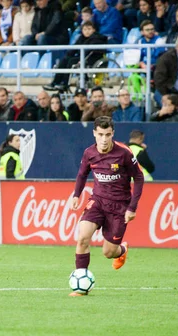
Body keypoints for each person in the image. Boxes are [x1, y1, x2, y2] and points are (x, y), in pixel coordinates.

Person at [69, 116, 144, 297]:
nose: (104, 139)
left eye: (107, 135)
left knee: (108, 252)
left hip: (119, 206)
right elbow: (82, 174)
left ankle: (122, 250)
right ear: (94, 133)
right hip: (98, 201)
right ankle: (80, 285)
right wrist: (76, 195)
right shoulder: (89, 153)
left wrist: (132, 207)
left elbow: (139, 177)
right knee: (82, 238)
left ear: (113, 134)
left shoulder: (124, 153)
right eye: (100, 134)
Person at [42, 21, 107, 91]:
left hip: (92, 59)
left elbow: (89, 52)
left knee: (71, 61)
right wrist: (68, 55)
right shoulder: (81, 38)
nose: (87, 31)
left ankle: (64, 83)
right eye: (85, 29)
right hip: (82, 58)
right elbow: (74, 49)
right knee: (65, 59)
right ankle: (55, 82)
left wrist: (80, 60)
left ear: (94, 30)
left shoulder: (97, 39)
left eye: (89, 29)